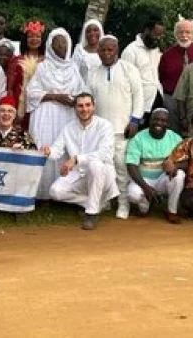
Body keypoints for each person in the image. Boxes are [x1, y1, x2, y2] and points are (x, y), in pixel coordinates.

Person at [85, 35, 144, 219]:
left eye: (110, 49)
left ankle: (123, 203)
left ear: (117, 50)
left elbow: (138, 96)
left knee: (121, 168)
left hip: (122, 130)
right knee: (102, 167)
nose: (106, 53)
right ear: (98, 51)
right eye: (103, 50)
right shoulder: (93, 71)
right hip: (100, 131)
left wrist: (135, 120)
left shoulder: (129, 69)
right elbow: (88, 100)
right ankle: (105, 201)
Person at [40, 93, 118, 231]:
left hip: (103, 175)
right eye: (80, 106)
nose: (84, 109)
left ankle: (91, 214)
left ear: (94, 106)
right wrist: (48, 151)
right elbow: (57, 150)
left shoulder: (105, 126)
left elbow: (104, 154)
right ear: (75, 108)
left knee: (95, 165)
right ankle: (97, 203)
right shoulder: (69, 127)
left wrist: (76, 159)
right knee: (55, 192)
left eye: (88, 105)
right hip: (79, 175)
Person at [26, 28, 86, 199]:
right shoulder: (42, 67)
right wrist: (56, 96)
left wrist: (74, 99)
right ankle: (41, 193)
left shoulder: (73, 68)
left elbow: (83, 91)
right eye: (57, 42)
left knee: (65, 149)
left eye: (64, 42)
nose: (61, 46)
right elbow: (31, 92)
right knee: (44, 147)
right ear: (50, 45)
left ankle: (63, 192)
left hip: (67, 115)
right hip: (45, 114)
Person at [124, 109, 185, 223]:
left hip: (163, 179)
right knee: (133, 195)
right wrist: (145, 187)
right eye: (156, 119)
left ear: (168, 123)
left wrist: (175, 165)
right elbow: (131, 165)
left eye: (163, 120)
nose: (159, 123)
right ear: (150, 120)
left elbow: (186, 161)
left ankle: (172, 211)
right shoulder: (138, 138)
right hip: (143, 180)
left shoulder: (175, 138)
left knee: (180, 175)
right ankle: (144, 207)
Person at [120, 15, 165, 122]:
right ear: (147, 30)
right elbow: (126, 82)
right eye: (156, 34)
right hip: (141, 104)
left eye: (161, 35)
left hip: (157, 98)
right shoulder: (131, 51)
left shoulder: (155, 49)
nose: (159, 38)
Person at [158, 19, 193, 131]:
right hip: (172, 99)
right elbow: (161, 77)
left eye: (187, 32)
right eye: (180, 32)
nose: (184, 35)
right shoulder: (167, 55)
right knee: (173, 131)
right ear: (176, 35)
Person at [6, 20, 45, 130]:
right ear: (25, 39)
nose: (34, 39)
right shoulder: (16, 61)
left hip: (40, 106)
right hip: (19, 106)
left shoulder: (47, 61)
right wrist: (11, 108)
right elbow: (10, 88)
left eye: (37, 36)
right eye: (30, 37)